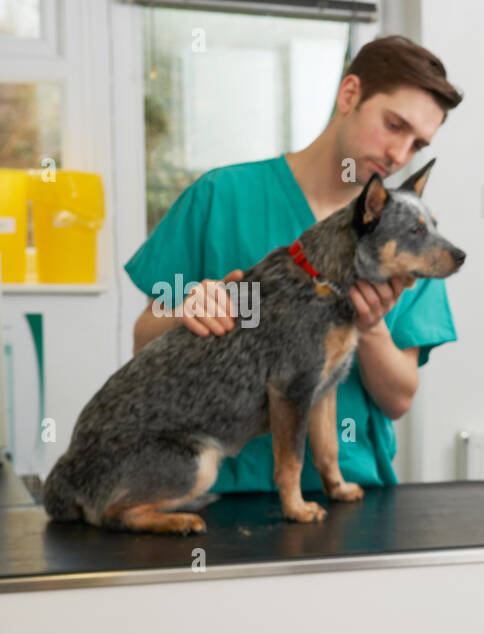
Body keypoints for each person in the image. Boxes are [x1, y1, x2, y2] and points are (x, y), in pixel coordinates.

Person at [128, 35, 463, 491]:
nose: (399, 156)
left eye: (417, 145)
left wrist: (370, 326)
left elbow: (399, 398)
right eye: (393, 125)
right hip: (220, 488)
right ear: (350, 95)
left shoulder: (407, 240)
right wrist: (186, 310)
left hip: (350, 491)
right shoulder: (220, 198)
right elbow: (142, 339)